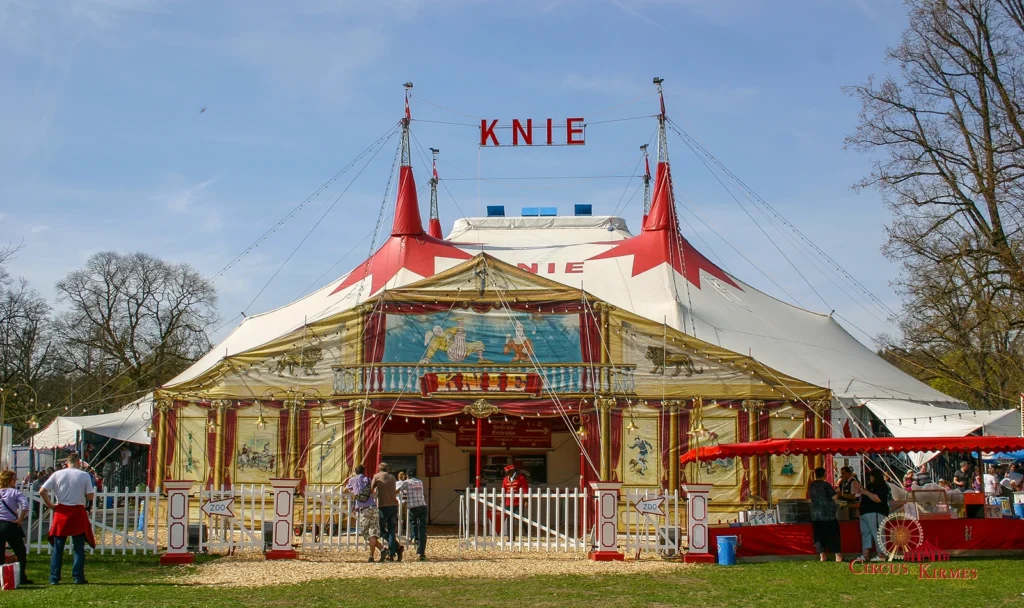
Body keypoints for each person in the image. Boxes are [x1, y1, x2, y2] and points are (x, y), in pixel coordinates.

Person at [39, 453, 95, 585]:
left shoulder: (57, 474)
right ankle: (78, 577)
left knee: (58, 548)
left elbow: (42, 491)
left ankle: (54, 577)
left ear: (67, 463)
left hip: (62, 511)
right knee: (78, 547)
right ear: (78, 462)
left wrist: (51, 505)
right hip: (77, 511)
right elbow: (90, 495)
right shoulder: (84, 475)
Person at [0, 471, 33, 585]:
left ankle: (1, 578)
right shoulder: (15, 492)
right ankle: (21, 577)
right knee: (20, 551)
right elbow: (25, 505)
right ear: (10, 480)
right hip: (10, 524)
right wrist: (20, 519)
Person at [343, 465, 381, 563]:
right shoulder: (368, 479)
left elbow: (344, 490)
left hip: (364, 508)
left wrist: (350, 484)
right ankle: (373, 555)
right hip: (373, 506)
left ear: (355, 471)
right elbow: (372, 491)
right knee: (373, 532)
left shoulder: (352, 480)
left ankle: (381, 550)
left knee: (366, 532)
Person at [807, 467, 842, 562]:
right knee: (832, 535)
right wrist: (838, 492)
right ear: (824, 474)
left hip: (815, 514)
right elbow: (834, 496)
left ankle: (822, 555)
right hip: (828, 515)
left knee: (818, 536)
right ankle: (837, 555)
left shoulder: (811, 485)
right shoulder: (826, 485)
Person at [371, 462, 401, 562]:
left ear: (379, 469)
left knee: (380, 529)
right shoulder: (392, 477)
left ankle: (396, 547)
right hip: (394, 505)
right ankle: (393, 553)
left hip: (384, 506)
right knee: (392, 530)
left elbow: (371, 489)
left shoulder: (377, 476)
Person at [859, 469, 890, 562]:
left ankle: (881, 555)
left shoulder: (882, 486)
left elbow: (878, 499)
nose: (870, 478)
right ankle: (865, 555)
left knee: (878, 533)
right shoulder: (869, 486)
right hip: (865, 513)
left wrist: (866, 492)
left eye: (871, 476)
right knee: (865, 533)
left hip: (876, 512)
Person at [397, 468, 428, 561]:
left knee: (413, 522)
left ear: (407, 475)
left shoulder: (406, 482)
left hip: (413, 506)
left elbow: (399, 490)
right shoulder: (420, 482)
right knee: (422, 528)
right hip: (422, 505)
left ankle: (415, 537)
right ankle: (421, 552)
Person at [501, 464, 528, 540]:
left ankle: (527, 533)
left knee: (520, 519)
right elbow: (504, 490)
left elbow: (525, 489)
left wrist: (526, 500)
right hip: (508, 502)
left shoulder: (521, 478)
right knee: (509, 520)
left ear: (513, 471)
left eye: (509, 472)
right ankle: (511, 537)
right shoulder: (505, 479)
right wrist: (502, 500)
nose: (508, 473)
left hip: (518, 502)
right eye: (507, 472)